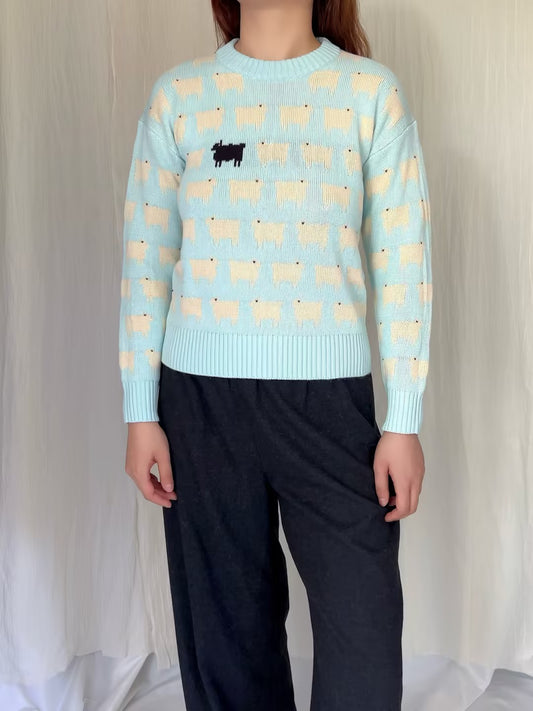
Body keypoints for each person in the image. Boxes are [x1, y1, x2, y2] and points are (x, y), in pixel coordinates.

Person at [118, 0, 433, 708]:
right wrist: (141, 409)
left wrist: (403, 418)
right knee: (226, 638)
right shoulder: (179, 97)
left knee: (363, 623)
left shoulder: (368, 94)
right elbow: (146, 259)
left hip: (328, 403)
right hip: (199, 403)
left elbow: (403, 260)